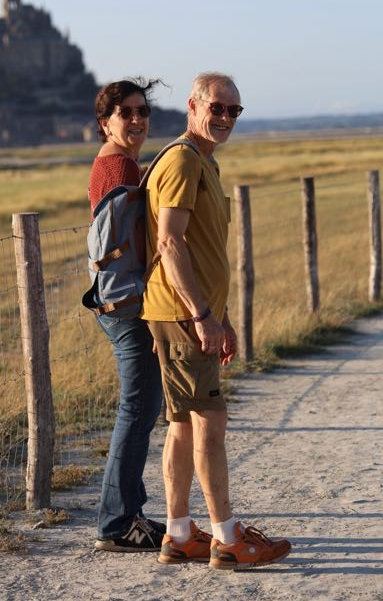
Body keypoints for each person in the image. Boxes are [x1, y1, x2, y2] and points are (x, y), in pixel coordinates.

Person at [142, 72, 292, 569]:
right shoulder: (183, 161)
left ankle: (179, 534)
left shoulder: (205, 161)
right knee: (209, 421)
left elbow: (203, 249)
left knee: (184, 424)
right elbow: (169, 243)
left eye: (234, 110)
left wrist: (220, 316)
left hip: (189, 312)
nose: (226, 117)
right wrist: (201, 315)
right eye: (217, 108)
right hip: (181, 313)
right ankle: (228, 539)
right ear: (193, 106)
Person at [88, 78, 165, 552]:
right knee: (136, 410)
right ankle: (116, 524)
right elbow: (134, 247)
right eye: (125, 113)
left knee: (141, 409)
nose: (136, 120)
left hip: (119, 301)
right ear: (105, 123)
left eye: (142, 111)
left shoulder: (118, 163)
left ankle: (127, 514)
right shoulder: (119, 167)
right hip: (128, 304)